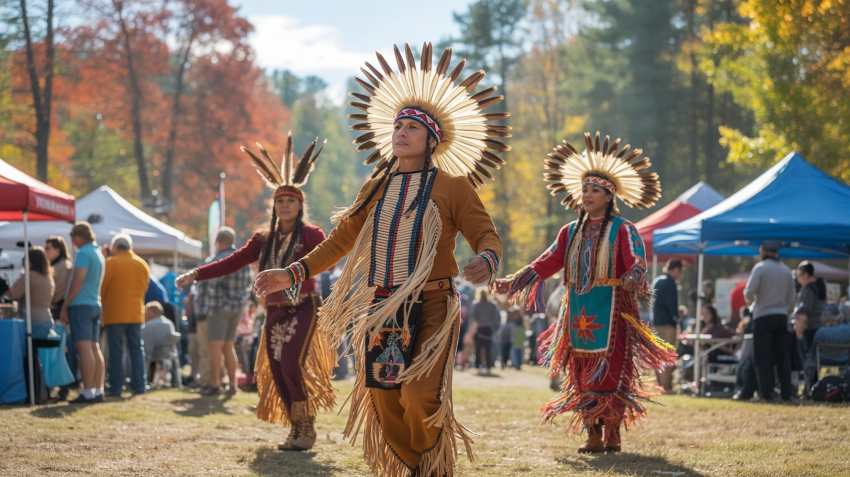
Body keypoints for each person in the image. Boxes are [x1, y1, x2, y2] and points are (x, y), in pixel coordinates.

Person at [253, 43, 506, 477]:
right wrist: (291, 272)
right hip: (382, 306)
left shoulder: (452, 186)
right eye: (397, 125)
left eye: (412, 126)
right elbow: (339, 241)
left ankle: (429, 462)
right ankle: (413, 465)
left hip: (434, 304)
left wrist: (486, 257)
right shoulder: (375, 187)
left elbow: (485, 233)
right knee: (385, 395)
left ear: (432, 139)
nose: (401, 132)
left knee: (419, 394)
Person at [497, 132, 676, 454]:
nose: (587, 195)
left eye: (595, 190)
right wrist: (515, 281)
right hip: (577, 310)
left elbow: (636, 258)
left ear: (609, 195)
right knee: (581, 374)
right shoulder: (570, 231)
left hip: (613, 309)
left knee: (611, 369)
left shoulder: (623, 229)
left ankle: (613, 432)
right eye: (584, 189)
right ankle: (592, 432)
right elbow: (547, 260)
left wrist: (635, 274)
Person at [177, 135, 334, 451]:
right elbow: (231, 261)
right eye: (280, 201)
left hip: (304, 307)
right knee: (277, 369)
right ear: (274, 206)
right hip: (274, 310)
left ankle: (306, 427)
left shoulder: (312, 235)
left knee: (290, 362)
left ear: (300, 204)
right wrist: (196, 273)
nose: (285, 205)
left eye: (290, 200)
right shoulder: (263, 239)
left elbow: (327, 260)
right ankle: (296, 427)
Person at [744, 241, 796, 401]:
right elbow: (792, 299)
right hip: (781, 317)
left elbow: (749, 292)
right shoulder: (787, 270)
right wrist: (784, 310)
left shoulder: (760, 268)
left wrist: (752, 304)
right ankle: (786, 393)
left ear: (763, 251)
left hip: (763, 316)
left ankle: (767, 393)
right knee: (782, 357)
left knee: (763, 357)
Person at [61, 222, 106, 404]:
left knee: (84, 348)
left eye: (73, 238)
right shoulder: (98, 253)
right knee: (95, 348)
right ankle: (97, 390)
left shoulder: (83, 253)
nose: (72, 242)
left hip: (82, 305)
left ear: (79, 237)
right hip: (95, 303)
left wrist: (65, 305)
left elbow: (77, 281)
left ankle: (87, 392)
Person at [101, 234, 150, 397]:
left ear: (115, 247)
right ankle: (140, 384)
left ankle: (116, 386)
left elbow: (103, 289)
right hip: (136, 313)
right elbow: (144, 288)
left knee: (116, 351)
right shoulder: (142, 264)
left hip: (115, 313)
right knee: (136, 350)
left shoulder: (110, 263)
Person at [793, 261, 826, 393]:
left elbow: (804, 312)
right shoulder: (819, 286)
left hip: (809, 329)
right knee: (814, 361)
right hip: (818, 328)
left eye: (799, 275)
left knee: (808, 361)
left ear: (806, 275)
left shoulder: (808, 289)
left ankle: (809, 389)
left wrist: (799, 332)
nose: (798, 278)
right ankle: (813, 388)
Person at [651, 259, 682, 393]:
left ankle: (659, 384)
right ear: (675, 269)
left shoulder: (657, 280)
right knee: (668, 355)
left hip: (656, 324)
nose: (680, 275)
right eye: (680, 272)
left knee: (657, 355)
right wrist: (677, 316)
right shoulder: (670, 283)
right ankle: (666, 386)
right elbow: (671, 305)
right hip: (668, 325)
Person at [143, 301, 180, 388]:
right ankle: (176, 381)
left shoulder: (148, 326)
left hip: (155, 354)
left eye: (146, 312)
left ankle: (143, 380)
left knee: (141, 355)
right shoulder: (169, 323)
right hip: (170, 353)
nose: (145, 314)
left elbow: (146, 347)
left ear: (152, 312)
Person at [470, 288, 500, 375]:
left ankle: (477, 366)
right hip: (488, 329)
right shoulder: (492, 305)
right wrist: (494, 328)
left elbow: (473, 317)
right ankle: (488, 367)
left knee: (478, 349)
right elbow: (495, 318)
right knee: (488, 349)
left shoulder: (476, 304)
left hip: (479, 329)